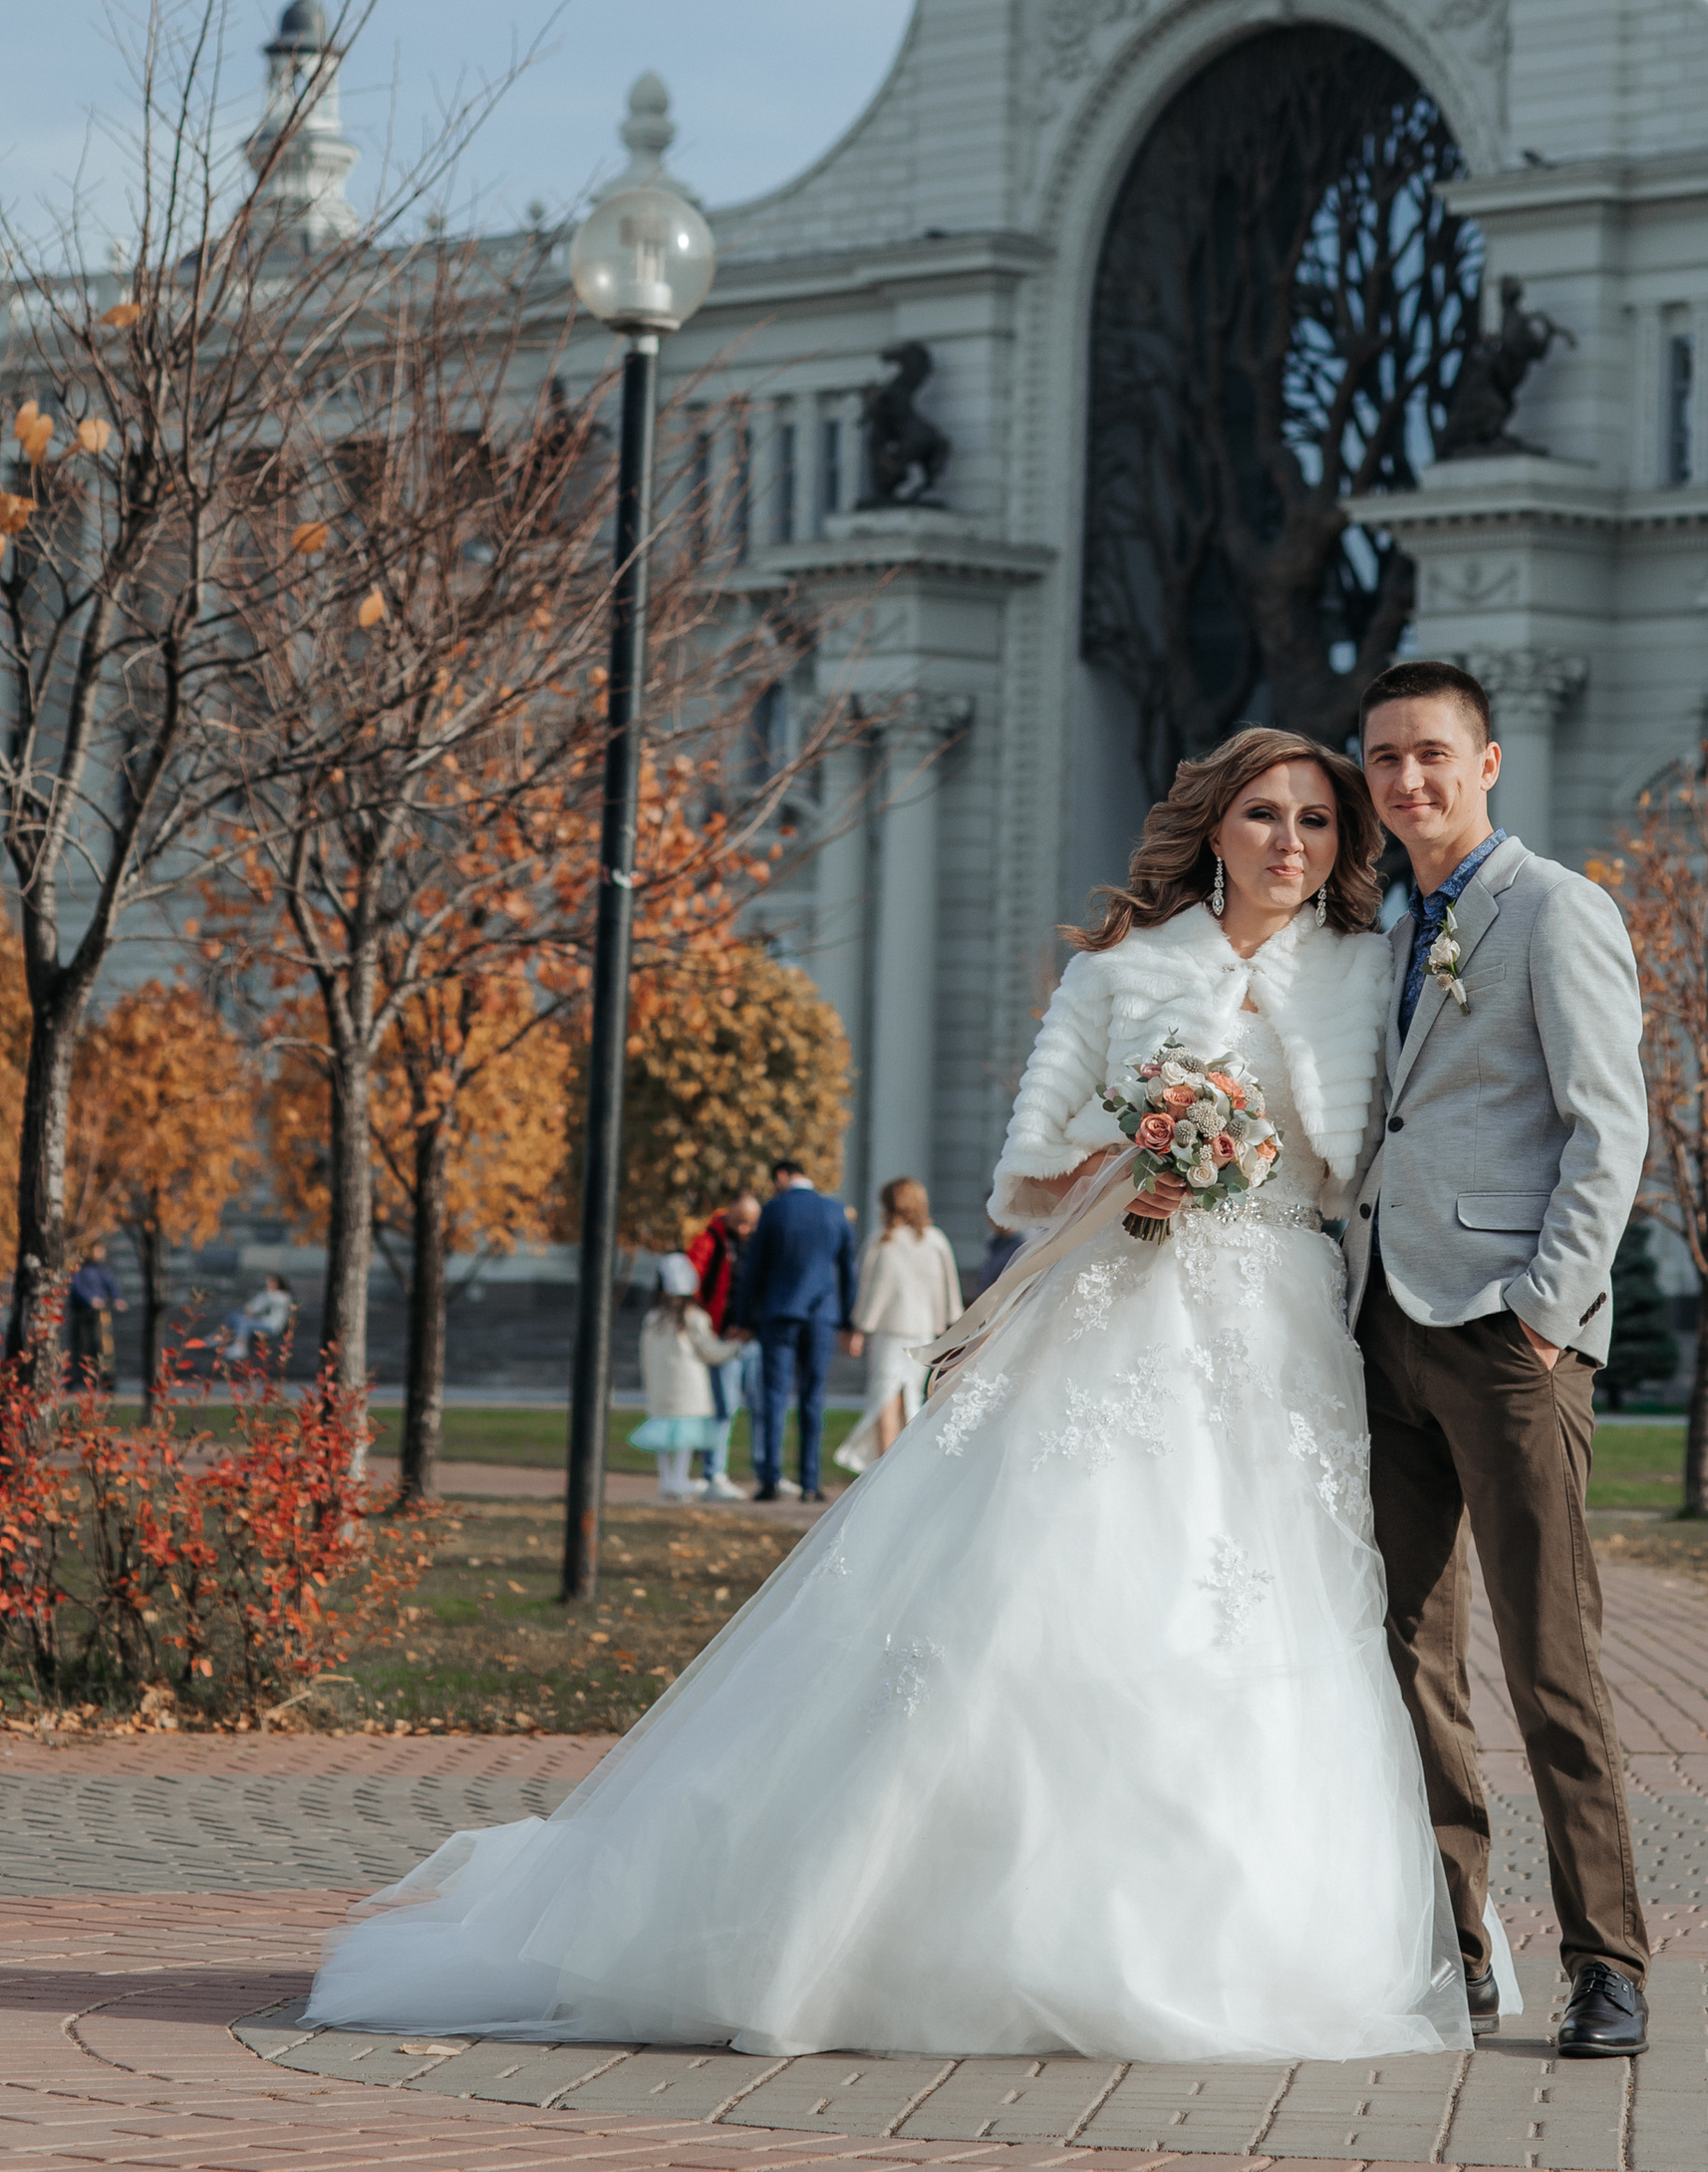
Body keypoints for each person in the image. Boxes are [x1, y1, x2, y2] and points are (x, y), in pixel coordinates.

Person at [302, 724, 1465, 2063]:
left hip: (1282, 1338)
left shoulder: (1365, 974)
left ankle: (1254, 1939)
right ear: (1215, 827)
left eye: (1318, 823)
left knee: (1269, 1631)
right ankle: (910, 1934)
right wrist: (1130, 1152)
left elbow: (1376, 1164)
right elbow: (1019, 1173)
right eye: (1265, 814)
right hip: (1118, 1319)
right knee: (1046, 1602)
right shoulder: (1123, 972)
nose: (1290, 844)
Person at [1345, 657, 1652, 2061]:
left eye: (1431, 755)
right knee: (1409, 1651)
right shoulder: (1387, 925)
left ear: (1489, 763)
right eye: (1386, 759)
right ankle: (1460, 1943)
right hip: (1382, 1333)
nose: (1407, 781)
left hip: (1509, 1342)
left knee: (1549, 1659)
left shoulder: (1556, 909)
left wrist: (1543, 1312)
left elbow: (1611, 1130)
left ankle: (1608, 1963)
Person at [733, 1158, 857, 1504]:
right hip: (822, 1315)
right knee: (813, 1397)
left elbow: (754, 1268)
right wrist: (848, 1320)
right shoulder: (836, 1212)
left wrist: (743, 1318)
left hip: (780, 1312)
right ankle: (810, 1481)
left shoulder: (774, 1211)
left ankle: (771, 1478)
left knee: (775, 1396)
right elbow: (848, 1271)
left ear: (782, 1176)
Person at [836, 1178, 963, 1473]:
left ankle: (886, 1467)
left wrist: (858, 1328)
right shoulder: (935, 1240)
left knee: (886, 1398)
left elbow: (869, 1290)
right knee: (909, 1398)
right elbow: (948, 1290)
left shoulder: (883, 1241)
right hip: (923, 1332)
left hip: (889, 1333)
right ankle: (903, 1467)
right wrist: (951, 1325)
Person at [632, 1254, 749, 1501]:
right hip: (689, 1389)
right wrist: (735, 1347)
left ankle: (667, 1479)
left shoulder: (653, 1319)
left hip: (660, 1388)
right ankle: (679, 1478)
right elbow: (710, 1350)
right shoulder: (694, 1317)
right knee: (685, 1439)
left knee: (664, 1440)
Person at [687, 1188, 761, 1474]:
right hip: (721, 1335)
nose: (745, 1229)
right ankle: (714, 1471)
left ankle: (764, 1473)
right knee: (723, 1407)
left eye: (751, 1222)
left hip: (753, 1336)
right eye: (741, 1221)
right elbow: (695, 1280)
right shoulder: (710, 1240)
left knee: (760, 1407)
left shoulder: (760, 1242)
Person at [65, 1249, 122, 1391]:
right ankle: (78, 1379)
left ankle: (104, 1379)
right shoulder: (80, 1269)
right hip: (82, 1313)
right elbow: (77, 1287)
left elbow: (110, 1284)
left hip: (99, 1314)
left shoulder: (101, 1269)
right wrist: (90, 1299)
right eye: (97, 1250)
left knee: (102, 1346)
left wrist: (117, 1298)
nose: (101, 1253)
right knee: (81, 1346)